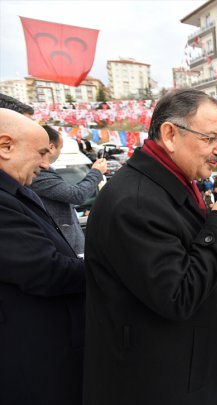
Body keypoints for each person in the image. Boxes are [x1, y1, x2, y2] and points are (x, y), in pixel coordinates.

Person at [83, 89, 217, 404]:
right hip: (157, 385)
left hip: (177, 373)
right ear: (170, 134)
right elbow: (177, 296)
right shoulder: (135, 202)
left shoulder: (167, 183)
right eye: (210, 139)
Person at [0, 108, 86, 405]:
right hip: (33, 362)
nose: (45, 164)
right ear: (5, 146)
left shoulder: (13, 191)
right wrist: (110, 266)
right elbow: (45, 270)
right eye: (40, 153)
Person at [30, 125, 107, 255]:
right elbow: (77, 195)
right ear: (51, 147)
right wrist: (96, 172)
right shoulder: (39, 174)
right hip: (62, 246)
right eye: (61, 148)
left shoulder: (45, 171)